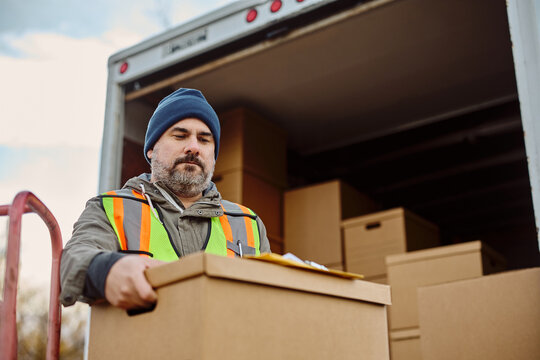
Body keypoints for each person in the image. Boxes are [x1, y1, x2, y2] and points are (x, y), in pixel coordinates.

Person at [60, 88, 271, 310]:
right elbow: (73, 259)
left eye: (204, 139)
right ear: (151, 149)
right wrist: (108, 270)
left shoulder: (249, 224)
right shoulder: (110, 208)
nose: (194, 147)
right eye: (180, 136)